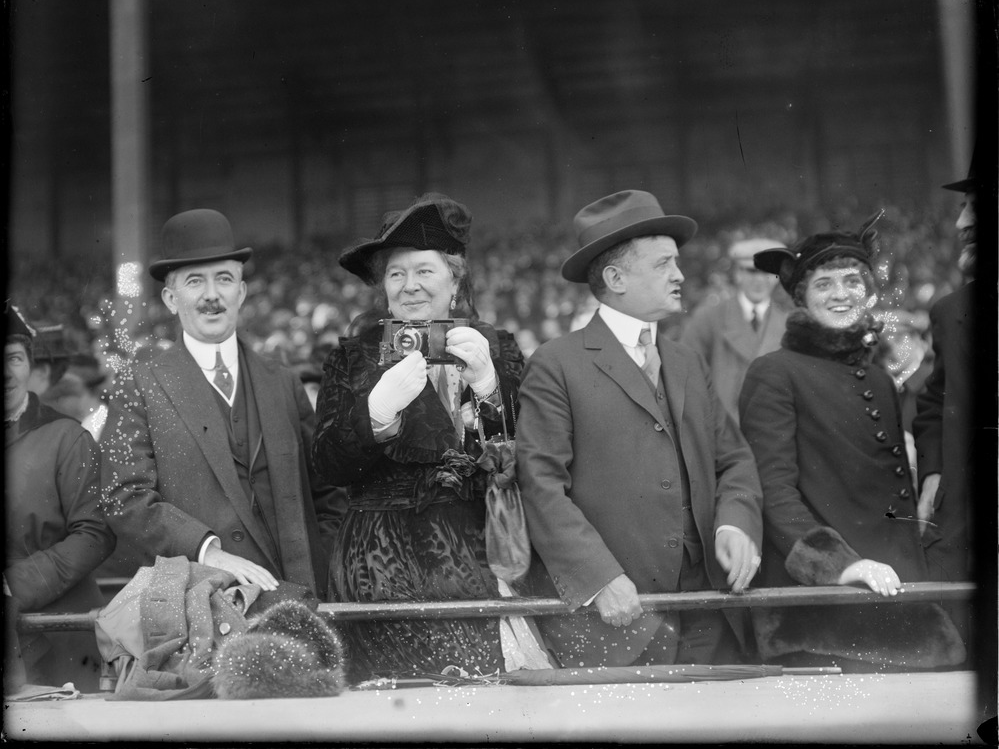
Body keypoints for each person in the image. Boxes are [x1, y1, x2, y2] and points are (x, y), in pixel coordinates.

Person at [517, 189, 764, 668]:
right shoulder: (556, 363)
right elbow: (540, 484)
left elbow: (733, 459)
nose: (680, 275)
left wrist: (736, 522)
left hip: (711, 613)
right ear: (616, 278)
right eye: (663, 264)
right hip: (617, 621)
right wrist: (599, 577)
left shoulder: (686, 360)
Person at [313, 193, 531, 681]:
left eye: (424, 271)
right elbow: (326, 465)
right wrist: (375, 415)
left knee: (479, 705)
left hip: (476, 555)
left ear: (454, 279)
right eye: (396, 274)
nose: (410, 286)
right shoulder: (353, 358)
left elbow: (527, 461)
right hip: (377, 563)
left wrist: (490, 390)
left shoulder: (498, 347)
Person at [739, 217, 965, 671]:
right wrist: (841, 566)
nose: (841, 293)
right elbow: (773, 492)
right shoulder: (774, 372)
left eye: (852, 280)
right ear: (801, 297)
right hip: (824, 622)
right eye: (824, 283)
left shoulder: (881, 379)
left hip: (900, 604)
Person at [101, 209, 333, 595]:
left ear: (240, 292)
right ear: (171, 299)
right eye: (195, 282)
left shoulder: (283, 382)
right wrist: (207, 550)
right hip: (202, 610)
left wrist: (318, 563)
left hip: (297, 604)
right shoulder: (139, 387)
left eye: (224, 279)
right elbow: (125, 495)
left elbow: (328, 494)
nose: (212, 295)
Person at [5, 304, 116, 691]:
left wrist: (17, 582)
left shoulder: (67, 438)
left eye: (14, 358)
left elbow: (95, 532)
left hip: (57, 637)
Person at [912, 159, 978, 637]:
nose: (962, 224)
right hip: (964, 530)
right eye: (962, 210)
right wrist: (933, 471)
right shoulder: (951, 311)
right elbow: (934, 403)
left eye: (977, 208)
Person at [680, 237, 788, 424]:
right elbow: (684, 373)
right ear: (738, 274)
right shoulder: (708, 318)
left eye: (768, 272)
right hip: (722, 433)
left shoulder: (788, 325)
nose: (760, 280)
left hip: (772, 433)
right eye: (752, 271)